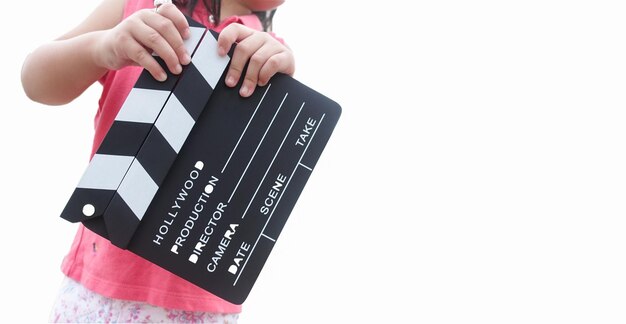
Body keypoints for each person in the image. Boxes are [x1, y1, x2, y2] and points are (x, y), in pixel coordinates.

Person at [20, 0, 295, 322]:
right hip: (98, 292)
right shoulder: (137, 8)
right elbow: (35, 82)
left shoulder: (269, 53)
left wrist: (284, 87)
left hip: (203, 303)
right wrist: (101, 47)